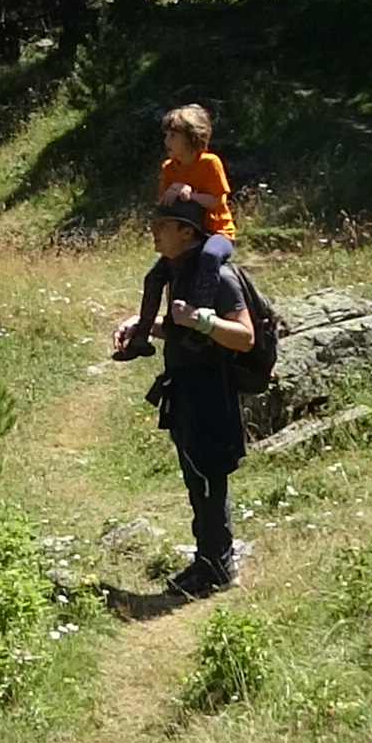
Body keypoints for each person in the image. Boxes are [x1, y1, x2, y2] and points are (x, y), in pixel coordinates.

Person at [109, 185, 255, 598]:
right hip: (186, 388)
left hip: (210, 391)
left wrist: (201, 322)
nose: (153, 232)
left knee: (208, 478)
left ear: (188, 233)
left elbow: (244, 337)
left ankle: (215, 568)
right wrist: (141, 327)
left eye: (163, 226)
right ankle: (209, 562)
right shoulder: (179, 271)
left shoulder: (219, 277)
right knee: (197, 478)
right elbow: (180, 323)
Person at [158, 103, 237, 262]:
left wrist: (190, 194)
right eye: (166, 135)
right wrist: (171, 192)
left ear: (191, 138)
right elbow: (163, 205)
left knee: (210, 256)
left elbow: (216, 201)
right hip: (187, 236)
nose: (167, 141)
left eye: (173, 135)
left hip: (218, 233)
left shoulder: (210, 163)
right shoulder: (169, 168)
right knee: (157, 273)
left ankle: (208, 288)